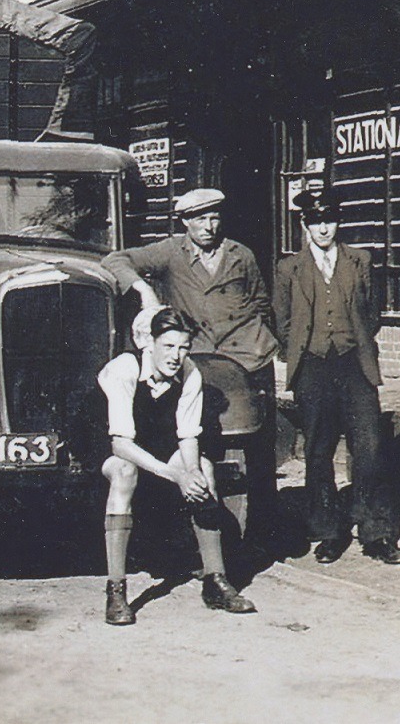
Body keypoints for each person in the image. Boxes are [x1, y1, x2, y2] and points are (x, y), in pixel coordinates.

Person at [100, 188, 281, 546]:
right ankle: (208, 529)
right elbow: (115, 260)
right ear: (185, 222)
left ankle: (263, 533)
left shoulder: (240, 254)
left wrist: (258, 338)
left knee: (260, 448)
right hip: (202, 359)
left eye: (214, 218)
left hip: (249, 357)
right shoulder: (170, 252)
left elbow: (260, 301)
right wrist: (144, 290)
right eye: (200, 219)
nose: (209, 226)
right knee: (201, 439)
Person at [98, 306, 257, 625]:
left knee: (204, 471)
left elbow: (187, 435)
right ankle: (116, 591)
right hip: (109, 439)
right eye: (168, 346)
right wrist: (173, 474)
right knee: (126, 473)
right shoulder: (124, 368)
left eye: (184, 347)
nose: (176, 355)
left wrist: (192, 472)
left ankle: (215, 580)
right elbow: (121, 444)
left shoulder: (189, 374)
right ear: (150, 343)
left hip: (155, 438)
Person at [274, 186, 400, 566]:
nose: (323, 228)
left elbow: (371, 313)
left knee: (369, 448)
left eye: (329, 220)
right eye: (315, 221)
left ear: (338, 222)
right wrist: (302, 352)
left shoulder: (360, 260)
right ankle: (329, 532)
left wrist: (352, 342)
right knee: (318, 451)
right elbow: (282, 320)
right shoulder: (289, 268)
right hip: (313, 368)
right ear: (304, 224)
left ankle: (376, 532)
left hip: (354, 365)